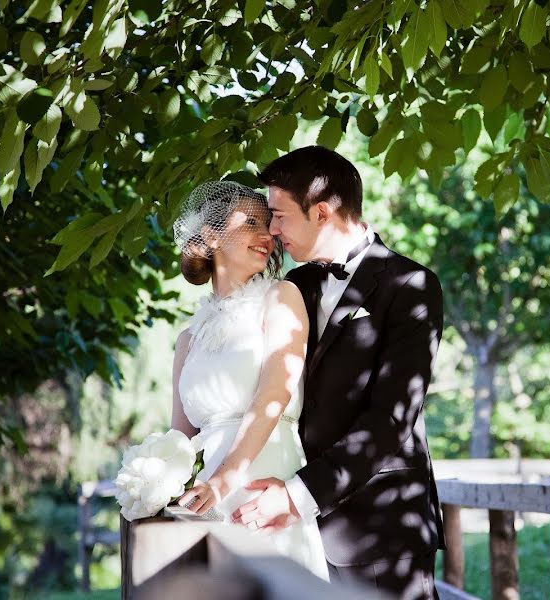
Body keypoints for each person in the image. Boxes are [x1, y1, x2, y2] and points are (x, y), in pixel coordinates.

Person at [230, 146, 446, 600]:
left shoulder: (411, 286)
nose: (272, 231)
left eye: (280, 216)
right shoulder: (296, 287)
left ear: (323, 212)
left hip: (381, 528)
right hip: (295, 535)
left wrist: (296, 495)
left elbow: (391, 419)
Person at [169, 181, 329, 581]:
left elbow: (276, 390)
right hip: (202, 496)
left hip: (261, 479)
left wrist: (226, 478)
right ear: (211, 235)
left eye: (271, 225)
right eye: (252, 223)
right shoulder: (187, 339)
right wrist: (159, 482)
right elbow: (180, 437)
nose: (267, 236)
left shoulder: (281, 297)